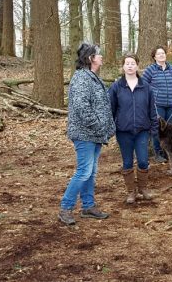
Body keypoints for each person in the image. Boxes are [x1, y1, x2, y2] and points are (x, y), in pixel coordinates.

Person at [58, 43, 116, 225]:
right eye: (99, 55)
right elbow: (82, 107)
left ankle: (88, 206)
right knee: (84, 171)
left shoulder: (91, 77)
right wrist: (98, 125)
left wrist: (105, 127)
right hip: (85, 134)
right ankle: (65, 207)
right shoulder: (82, 78)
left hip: (95, 134)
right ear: (91, 58)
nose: (101, 57)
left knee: (91, 172)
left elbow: (101, 105)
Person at [109, 53, 158, 204]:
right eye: (127, 63)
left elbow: (152, 110)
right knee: (127, 162)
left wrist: (154, 130)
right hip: (123, 131)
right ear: (123, 67)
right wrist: (111, 128)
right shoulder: (116, 87)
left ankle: (143, 189)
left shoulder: (146, 87)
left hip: (142, 131)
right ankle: (131, 192)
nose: (130, 66)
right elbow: (110, 109)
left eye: (132, 63)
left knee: (143, 161)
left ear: (137, 66)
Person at [142, 45, 172, 163]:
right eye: (158, 54)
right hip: (157, 105)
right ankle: (158, 153)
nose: (161, 55)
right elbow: (144, 86)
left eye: (163, 53)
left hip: (171, 105)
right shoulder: (150, 70)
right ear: (154, 57)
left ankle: (167, 152)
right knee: (157, 130)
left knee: (170, 131)